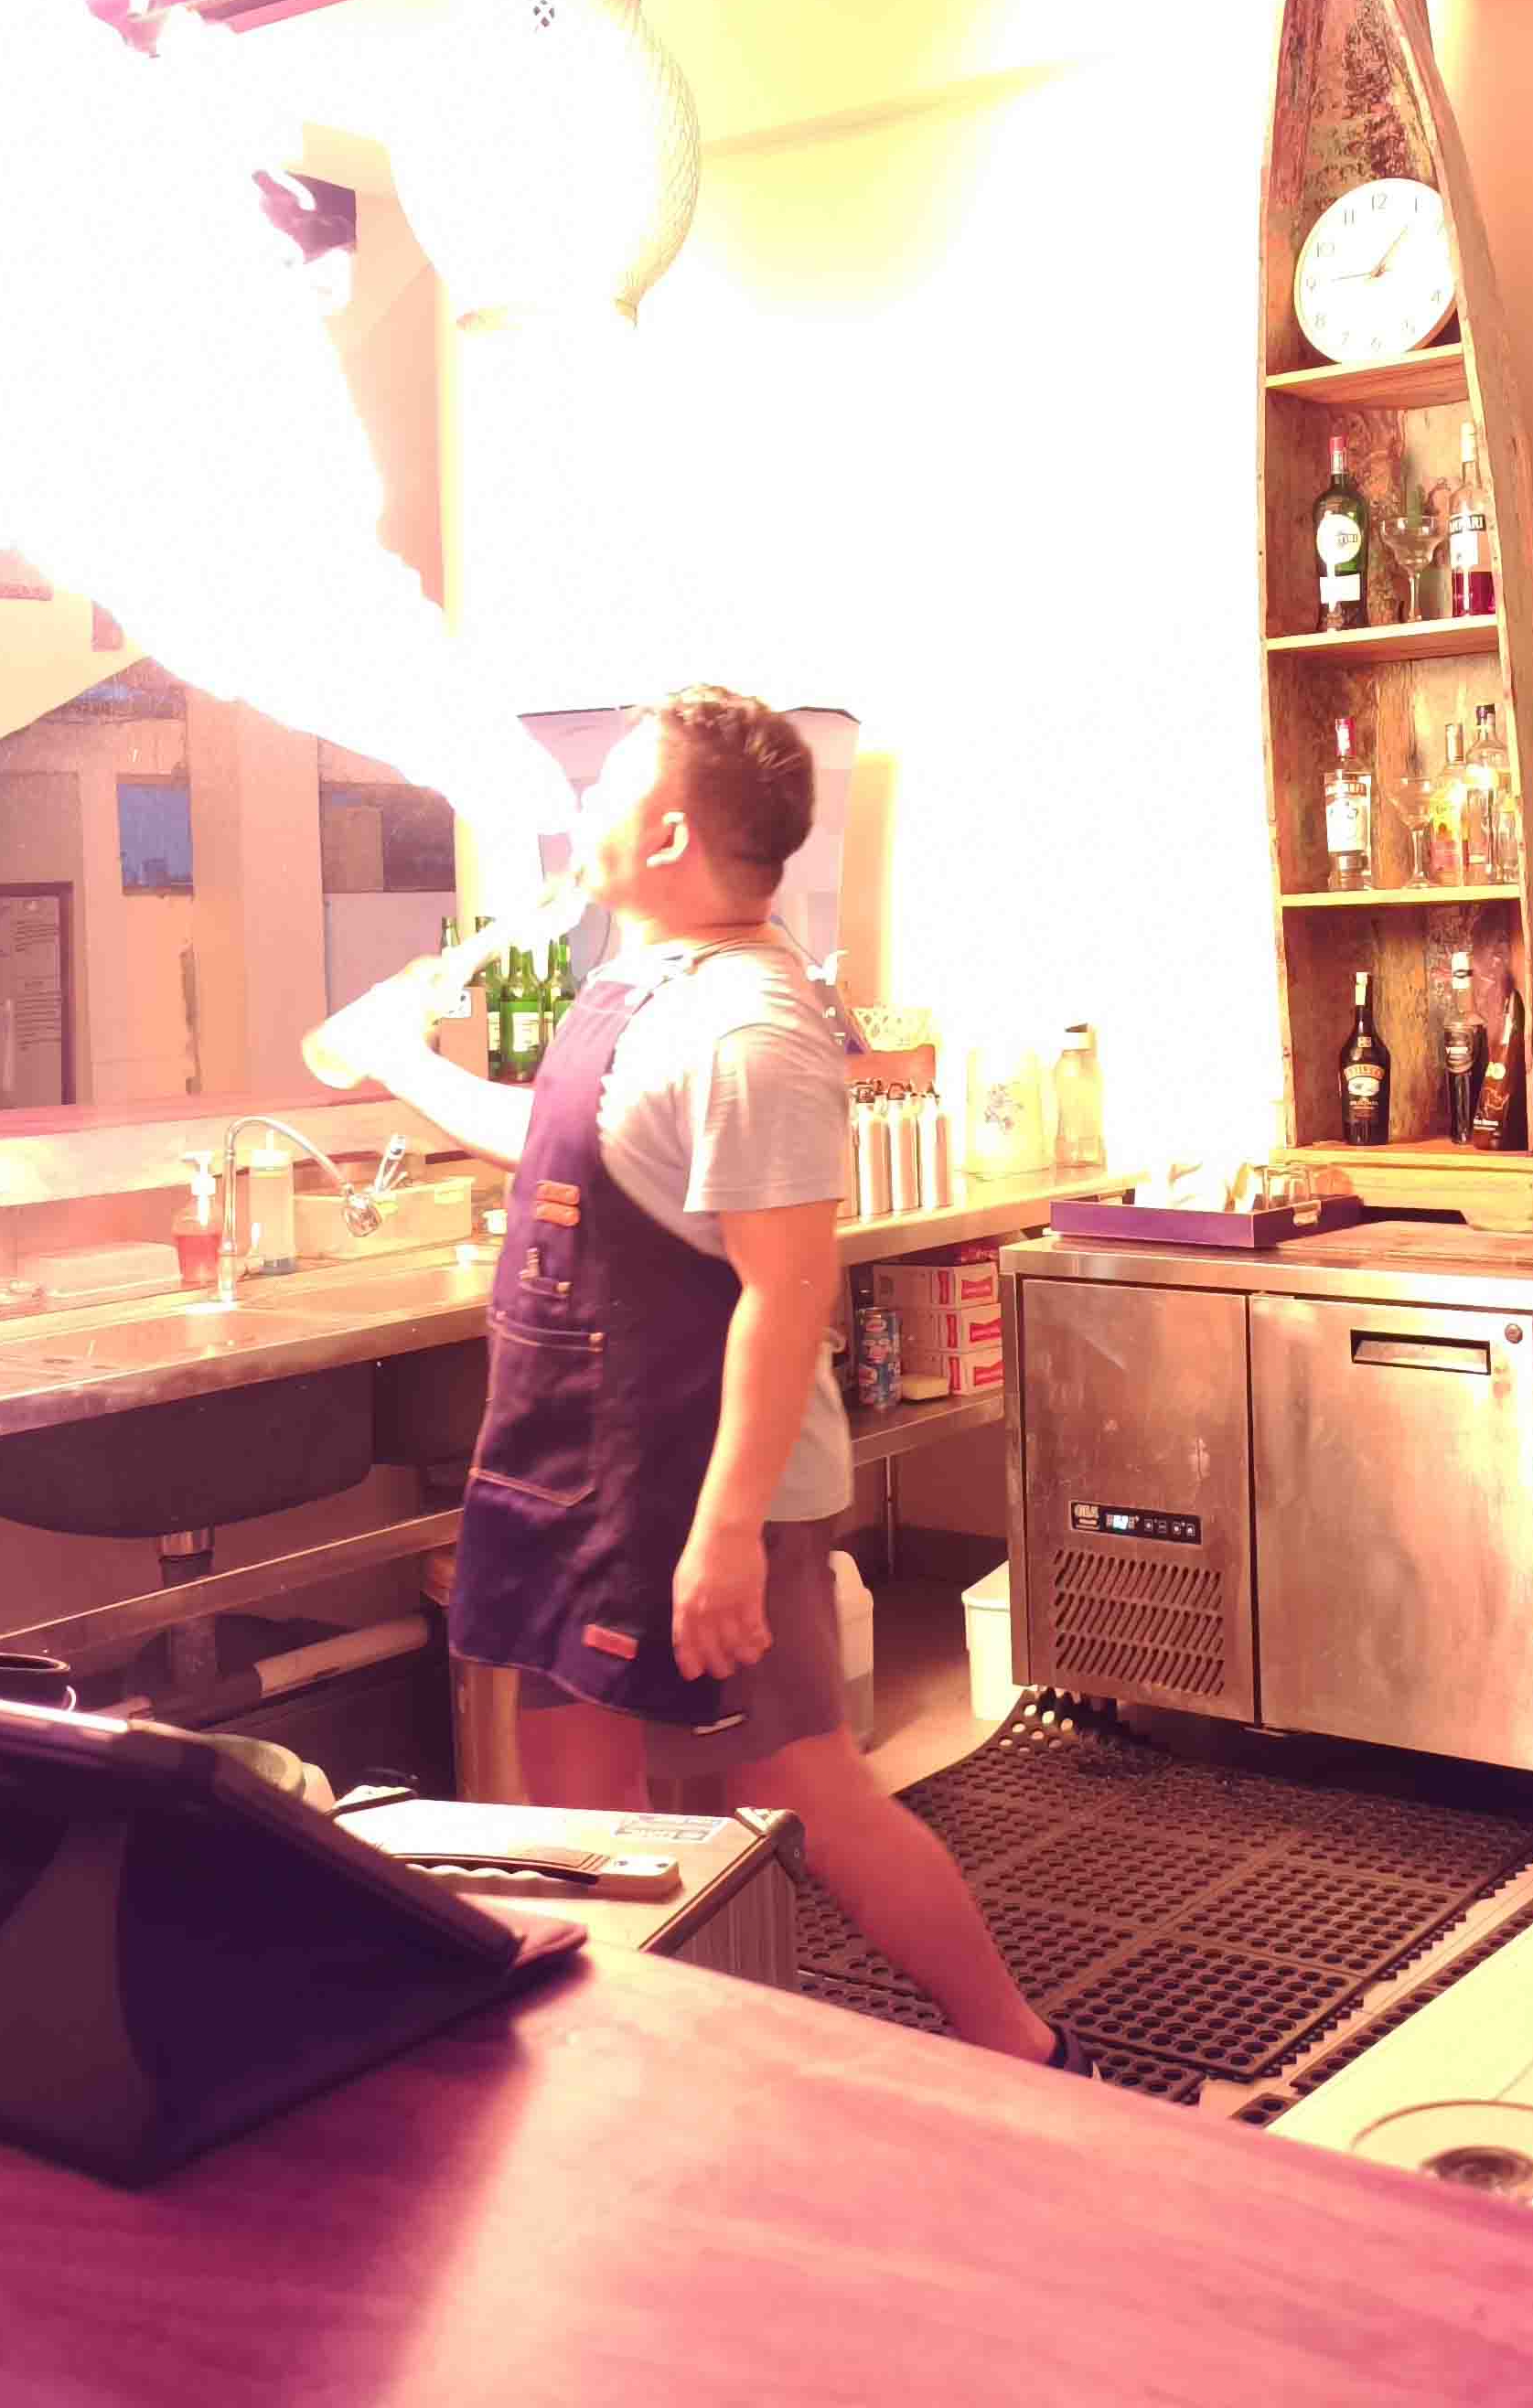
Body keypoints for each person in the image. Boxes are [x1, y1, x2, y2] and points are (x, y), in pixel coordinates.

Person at [362, 687, 1086, 2071]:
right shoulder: (642, 982)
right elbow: (561, 1131)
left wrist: (727, 1535)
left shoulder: (754, 1029)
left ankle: (1025, 2050)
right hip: (582, 1461)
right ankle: (640, 2082)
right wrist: (402, 1062)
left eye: (607, 793)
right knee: (576, 1806)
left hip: (697, 1479)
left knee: (799, 1785)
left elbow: (784, 1295)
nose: (581, 813)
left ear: (670, 835)